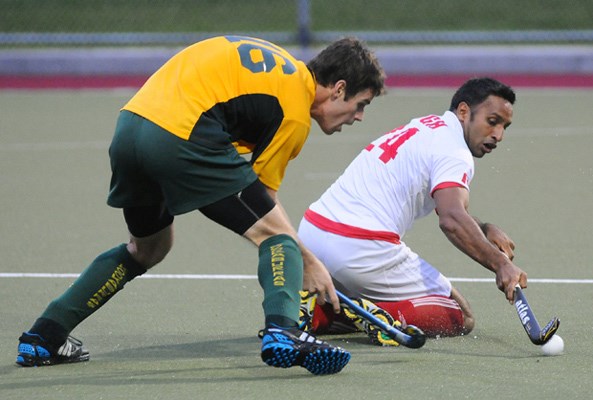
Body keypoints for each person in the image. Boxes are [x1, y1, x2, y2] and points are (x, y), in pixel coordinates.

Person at [16, 35, 385, 374]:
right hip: (182, 133)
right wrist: (309, 262)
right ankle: (285, 331)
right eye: (360, 104)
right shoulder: (293, 109)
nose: (359, 117)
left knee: (148, 248)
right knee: (277, 237)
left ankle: (44, 335)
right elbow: (265, 203)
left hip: (129, 128)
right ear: (338, 89)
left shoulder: (274, 64)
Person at [297, 77, 528, 345]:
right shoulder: (455, 152)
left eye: (504, 126)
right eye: (492, 121)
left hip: (312, 234)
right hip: (360, 249)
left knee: (371, 286)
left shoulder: (425, 125)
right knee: (460, 316)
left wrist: (484, 228)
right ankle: (377, 316)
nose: (499, 135)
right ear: (464, 112)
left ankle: (321, 314)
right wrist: (501, 265)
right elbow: (452, 219)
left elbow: (452, 208)